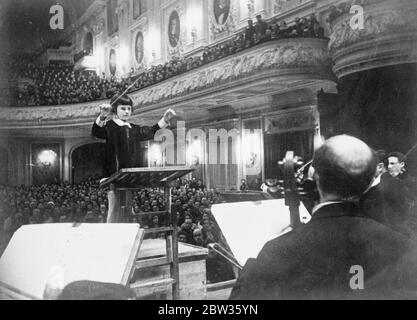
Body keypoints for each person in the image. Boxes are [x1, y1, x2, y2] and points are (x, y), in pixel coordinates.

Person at [230, 135, 417, 300]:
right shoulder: (404, 249)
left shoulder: (278, 251)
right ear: (369, 180)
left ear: (316, 178)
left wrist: (253, 266)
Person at [92, 93, 176, 222]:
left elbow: (151, 131)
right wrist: (102, 116)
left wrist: (164, 119)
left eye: (129, 109)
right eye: (123, 108)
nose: (127, 112)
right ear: (115, 110)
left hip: (130, 176)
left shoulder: (134, 128)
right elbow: (97, 131)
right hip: (114, 175)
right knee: (114, 208)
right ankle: (110, 235)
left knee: (128, 208)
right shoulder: (109, 126)